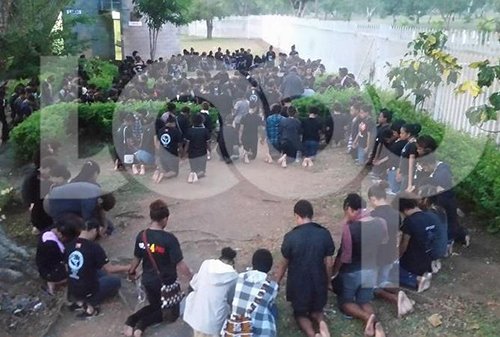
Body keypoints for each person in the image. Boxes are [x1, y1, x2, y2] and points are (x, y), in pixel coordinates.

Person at [125, 200, 193, 337]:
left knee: (155, 305)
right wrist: (193, 278)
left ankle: (131, 321)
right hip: (166, 283)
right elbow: (180, 264)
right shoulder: (169, 239)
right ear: (165, 219)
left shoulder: (142, 236)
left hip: (148, 280)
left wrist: (131, 272)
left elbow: (137, 258)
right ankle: (141, 325)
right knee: (168, 313)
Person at [275, 200, 334, 337]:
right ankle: (323, 326)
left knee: (300, 313)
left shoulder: (291, 237)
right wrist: (328, 282)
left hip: (299, 285)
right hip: (318, 283)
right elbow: (329, 263)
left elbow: (284, 263)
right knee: (317, 311)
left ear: (297, 216)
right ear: (311, 215)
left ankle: (312, 334)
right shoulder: (324, 233)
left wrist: (276, 282)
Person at [332, 194, 387, 337]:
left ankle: (367, 318)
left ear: (349, 208)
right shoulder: (381, 222)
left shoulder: (350, 228)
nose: (346, 216)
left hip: (353, 272)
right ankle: (376, 326)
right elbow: (383, 244)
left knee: (345, 302)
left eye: (346, 212)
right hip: (372, 269)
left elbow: (345, 256)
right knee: (364, 300)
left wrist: (334, 273)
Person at [367, 185, 414, 319]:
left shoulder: (373, 216)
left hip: (377, 258)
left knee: (372, 287)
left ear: (373, 199)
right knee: (383, 281)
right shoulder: (396, 214)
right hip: (390, 255)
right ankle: (403, 295)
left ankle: (394, 298)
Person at [66, 219, 129, 318]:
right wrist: (128, 267)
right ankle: (90, 304)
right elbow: (110, 269)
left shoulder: (69, 245)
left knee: (99, 273)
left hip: (73, 288)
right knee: (115, 280)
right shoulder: (93, 247)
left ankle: (79, 302)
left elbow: (67, 268)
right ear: (94, 230)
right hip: (88, 290)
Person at [184, 248, 238, 337]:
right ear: (232, 262)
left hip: (197, 317)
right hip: (215, 323)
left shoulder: (206, 264)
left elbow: (194, 284)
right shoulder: (234, 276)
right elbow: (232, 300)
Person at [419, 152, 470, 248]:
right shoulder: (437, 170)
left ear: (429, 163)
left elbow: (441, 188)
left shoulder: (442, 172)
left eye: (424, 166)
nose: (423, 169)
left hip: (445, 200)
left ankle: (457, 238)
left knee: (449, 222)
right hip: (440, 199)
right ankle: (459, 236)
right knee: (450, 221)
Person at [228, 249, 279, 337]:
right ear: (269, 267)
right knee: (273, 308)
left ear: (253, 263)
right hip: (261, 332)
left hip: (236, 330)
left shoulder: (240, 277)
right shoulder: (273, 286)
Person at [393, 194, 434, 293]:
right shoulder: (429, 216)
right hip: (427, 259)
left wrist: (395, 258)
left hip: (413, 263)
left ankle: (415, 280)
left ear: (404, 209)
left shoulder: (410, 221)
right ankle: (424, 274)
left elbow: (404, 246)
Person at [36, 214, 83, 295]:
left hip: (52, 262)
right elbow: (65, 259)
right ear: (62, 235)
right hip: (51, 270)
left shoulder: (52, 230)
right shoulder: (51, 245)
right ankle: (54, 282)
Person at [45, 182, 116, 236]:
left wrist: (107, 227)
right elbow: (88, 220)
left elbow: (99, 213)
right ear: (99, 202)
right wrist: (100, 229)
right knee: (70, 230)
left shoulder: (96, 191)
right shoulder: (90, 199)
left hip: (55, 197)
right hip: (52, 203)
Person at [22, 156, 58, 233]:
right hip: (39, 209)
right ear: (47, 168)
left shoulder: (46, 177)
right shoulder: (32, 179)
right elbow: (27, 194)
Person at [153, 115, 183, 183]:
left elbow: (158, 143)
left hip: (162, 156)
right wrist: (181, 154)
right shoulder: (176, 131)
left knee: (167, 169)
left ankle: (159, 172)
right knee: (175, 172)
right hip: (172, 155)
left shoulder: (160, 130)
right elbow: (180, 145)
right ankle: (163, 175)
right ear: (173, 123)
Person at [184, 113, 211, 183]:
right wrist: (209, 150)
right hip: (202, 153)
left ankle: (193, 173)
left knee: (193, 168)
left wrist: (184, 152)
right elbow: (208, 143)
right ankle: (197, 174)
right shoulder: (205, 131)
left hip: (192, 153)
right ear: (202, 121)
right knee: (202, 170)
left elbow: (187, 144)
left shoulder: (189, 130)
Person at [397, 124, 421, 193]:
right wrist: (399, 170)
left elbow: (411, 165)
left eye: (402, 133)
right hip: (404, 174)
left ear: (408, 134)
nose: (400, 135)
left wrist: (409, 184)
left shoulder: (413, 145)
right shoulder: (408, 144)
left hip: (408, 175)